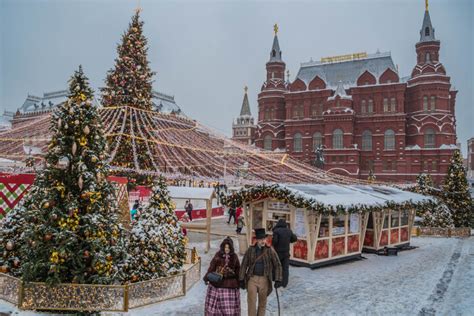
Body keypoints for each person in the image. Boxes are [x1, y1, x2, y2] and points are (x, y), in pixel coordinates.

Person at [239, 228, 282, 316]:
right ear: (257, 240)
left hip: (264, 279)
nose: (263, 241)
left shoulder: (270, 250)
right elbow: (244, 264)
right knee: (251, 302)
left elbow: (277, 264)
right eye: (260, 239)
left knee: (262, 304)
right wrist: (241, 279)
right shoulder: (250, 250)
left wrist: (278, 279)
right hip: (252, 278)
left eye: (264, 239)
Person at [204, 237, 241, 316]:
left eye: (228, 247)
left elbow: (238, 270)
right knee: (217, 307)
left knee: (228, 309)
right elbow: (212, 266)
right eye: (225, 247)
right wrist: (206, 277)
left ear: (231, 248)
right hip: (218, 282)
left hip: (230, 284)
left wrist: (239, 281)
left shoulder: (234, 257)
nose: (226, 249)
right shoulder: (218, 255)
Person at [272, 218, 297, 288]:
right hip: (286, 253)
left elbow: (275, 241)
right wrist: (289, 241)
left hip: (278, 253)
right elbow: (295, 238)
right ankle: (284, 283)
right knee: (285, 268)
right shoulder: (289, 231)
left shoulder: (276, 231)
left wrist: (274, 244)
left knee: (277, 267)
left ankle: (277, 281)